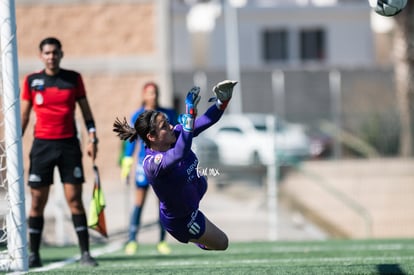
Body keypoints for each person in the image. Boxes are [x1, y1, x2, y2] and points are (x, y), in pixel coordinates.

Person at [113, 80, 237, 251]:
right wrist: (189, 113)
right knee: (223, 243)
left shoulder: (176, 133)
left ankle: (200, 228)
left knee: (203, 178)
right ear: (152, 136)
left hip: (193, 193)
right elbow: (179, 152)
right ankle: (199, 240)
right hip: (182, 220)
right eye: (165, 126)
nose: (171, 126)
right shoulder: (151, 164)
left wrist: (222, 102)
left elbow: (206, 121)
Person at [21, 37, 99, 268]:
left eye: (55, 52)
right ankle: (34, 254)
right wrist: (12, 142)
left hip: (69, 146)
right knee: (37, 201)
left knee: (74, 200)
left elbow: (87, 114)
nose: (51, 56)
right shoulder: (32, 81)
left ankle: (85, 253)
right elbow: (24, 116)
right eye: (47, 53)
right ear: (41, 56)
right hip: (42, 146)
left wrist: (93, 137)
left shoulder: (73, 79)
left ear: (61, 54)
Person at [120, 82, 177, 255]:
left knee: (163, 204)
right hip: (143, 165)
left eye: (156, 92)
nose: (153, 96)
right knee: (139, 202)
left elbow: (176, 136)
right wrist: (127, 160)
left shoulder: (168, 114)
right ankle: (132, 240)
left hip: (164, 165)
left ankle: (161, 241)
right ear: (144, 95)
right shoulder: (138, 115)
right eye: (150, 93)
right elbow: (131, 140)